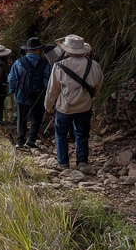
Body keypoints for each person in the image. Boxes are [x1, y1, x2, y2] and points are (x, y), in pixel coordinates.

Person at [45, 35, 104, 171]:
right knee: (82, 134)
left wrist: (48, 105)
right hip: (85, 106)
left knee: (61, 133)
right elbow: (99, 84)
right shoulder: (94, 65)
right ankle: (82, 162)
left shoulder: (59, 66)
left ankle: (63, 162)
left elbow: (52, 90)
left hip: (65, 107)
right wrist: (91, 97)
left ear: (67, 49)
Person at [8, 38, 51, 149]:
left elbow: (12, 78)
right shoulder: (45, 63)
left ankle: (19, 140)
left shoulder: (19, 62)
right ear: (38, 49)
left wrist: (13, 91)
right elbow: (47, 80)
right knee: (37, 117)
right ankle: (31, 140)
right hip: (38, 94)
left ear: (28, 50)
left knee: (21, 117)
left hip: (21, 93)